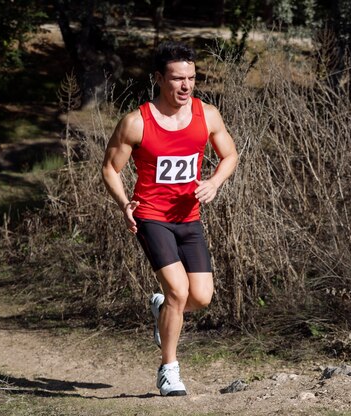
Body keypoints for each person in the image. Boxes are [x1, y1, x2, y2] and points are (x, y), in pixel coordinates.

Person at [102, 41, 238, 396]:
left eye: (191, 78)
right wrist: (124, 203)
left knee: (202, 297)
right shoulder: (136, 122)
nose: (186, 86)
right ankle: (169, 369)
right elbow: (110, 169)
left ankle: (162, 307)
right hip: (151, 217)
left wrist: (214, 182)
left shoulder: (206, 115)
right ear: (159, 79)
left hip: (189, 217)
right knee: (178, 290)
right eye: (178, 79)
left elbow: (230, 155)